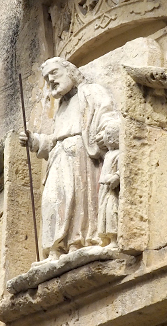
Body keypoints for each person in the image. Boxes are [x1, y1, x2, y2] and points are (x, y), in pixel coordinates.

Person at [19, 58, 116, 260]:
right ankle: (54, 250)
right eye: (46, 77)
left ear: (70, 71)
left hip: (81, 156)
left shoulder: (90, 92)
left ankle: (76, 244)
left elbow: (107, 116)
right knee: (53, 201)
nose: (50, 80)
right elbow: (55, 139)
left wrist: (107, 133)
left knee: (78, 201)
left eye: (54, 73)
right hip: (59, 158)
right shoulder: (62, 106)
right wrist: (35, 141)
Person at [95, 112, 120, 247]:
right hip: (104, 190)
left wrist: (116, 177)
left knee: (112, 211)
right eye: (107, 135)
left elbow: (123, 169)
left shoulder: (118, 154)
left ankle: (114, 239)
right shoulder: (109, 154)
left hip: (112, 190)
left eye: (111, 136)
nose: (108, 139)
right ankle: (106, 239)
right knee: (104, 211)